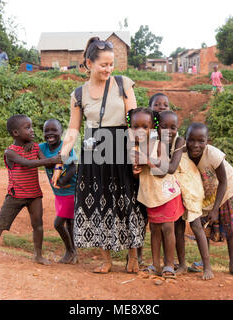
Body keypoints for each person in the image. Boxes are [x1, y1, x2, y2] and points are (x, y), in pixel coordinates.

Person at [51, 37, 147, 274]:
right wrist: (60, 160)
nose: (108, 69)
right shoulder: (78, 94)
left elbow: (134, 122)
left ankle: (133, 256)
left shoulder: (123, 84)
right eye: (103, 64)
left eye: (111, 64)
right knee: (98, 204)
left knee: (128, 202)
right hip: (94, 155)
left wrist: (136, 154)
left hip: (121, 150)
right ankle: (106, 259)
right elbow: (73, 131)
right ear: (89, 63)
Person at [0, 115, 62, 266]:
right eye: (27, 128)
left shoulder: (34, 146)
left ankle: (38, 256)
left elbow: (46, 165)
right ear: (16, 133)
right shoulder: (9, 152)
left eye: (31, 127)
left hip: (34, 194)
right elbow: (27, 164)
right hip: (15, 195)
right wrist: (52, 160)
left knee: (38, 225)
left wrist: (55, 160)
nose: (31, 130)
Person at [186, 122, 233, 277]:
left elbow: (223, 181)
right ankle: (204, 262)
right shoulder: (184, 154)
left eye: (201, 141)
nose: (195, 145)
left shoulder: (212, 154)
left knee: (231, 227)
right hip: (205, 192)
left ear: (207, 141)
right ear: (185, 139)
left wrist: (216, 208)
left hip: (226, 188)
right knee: (204, 227)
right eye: (191, 140)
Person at [128, 108, 182, 279]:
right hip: (151, 197)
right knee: (154, 230)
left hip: (166, 194)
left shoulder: (159, 145)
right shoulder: (134, 149)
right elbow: (137, 178)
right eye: (135, 127)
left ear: (153, 128)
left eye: (145, 126)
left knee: (167, 228)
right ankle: (156, 264)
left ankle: (169, 265)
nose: (140, 131)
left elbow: (164, 171)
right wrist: (135, 171)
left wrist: (147, 161)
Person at [159, 112, 213, 279]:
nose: (169, 131)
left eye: (173, 128)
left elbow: (172, 167)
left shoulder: (180, 142)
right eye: (164, 127)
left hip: (189, 186)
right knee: (178, 228)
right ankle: (182, 264)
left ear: (178, 129)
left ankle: (207, 267)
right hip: (175, 189)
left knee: (196, 225)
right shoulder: (157, 143)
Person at [39, 119, 78, 264]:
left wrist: (63, 180)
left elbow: (73, 167)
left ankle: (70, 251)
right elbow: (31, 150)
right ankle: (74, 254)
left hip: (70, 191)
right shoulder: (42, 148)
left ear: (61, 133)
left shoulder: (65, 146)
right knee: (69, 223)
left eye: (54, 130)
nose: (50, 133)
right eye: (46, 130)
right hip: (59, 194)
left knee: (58, 224)